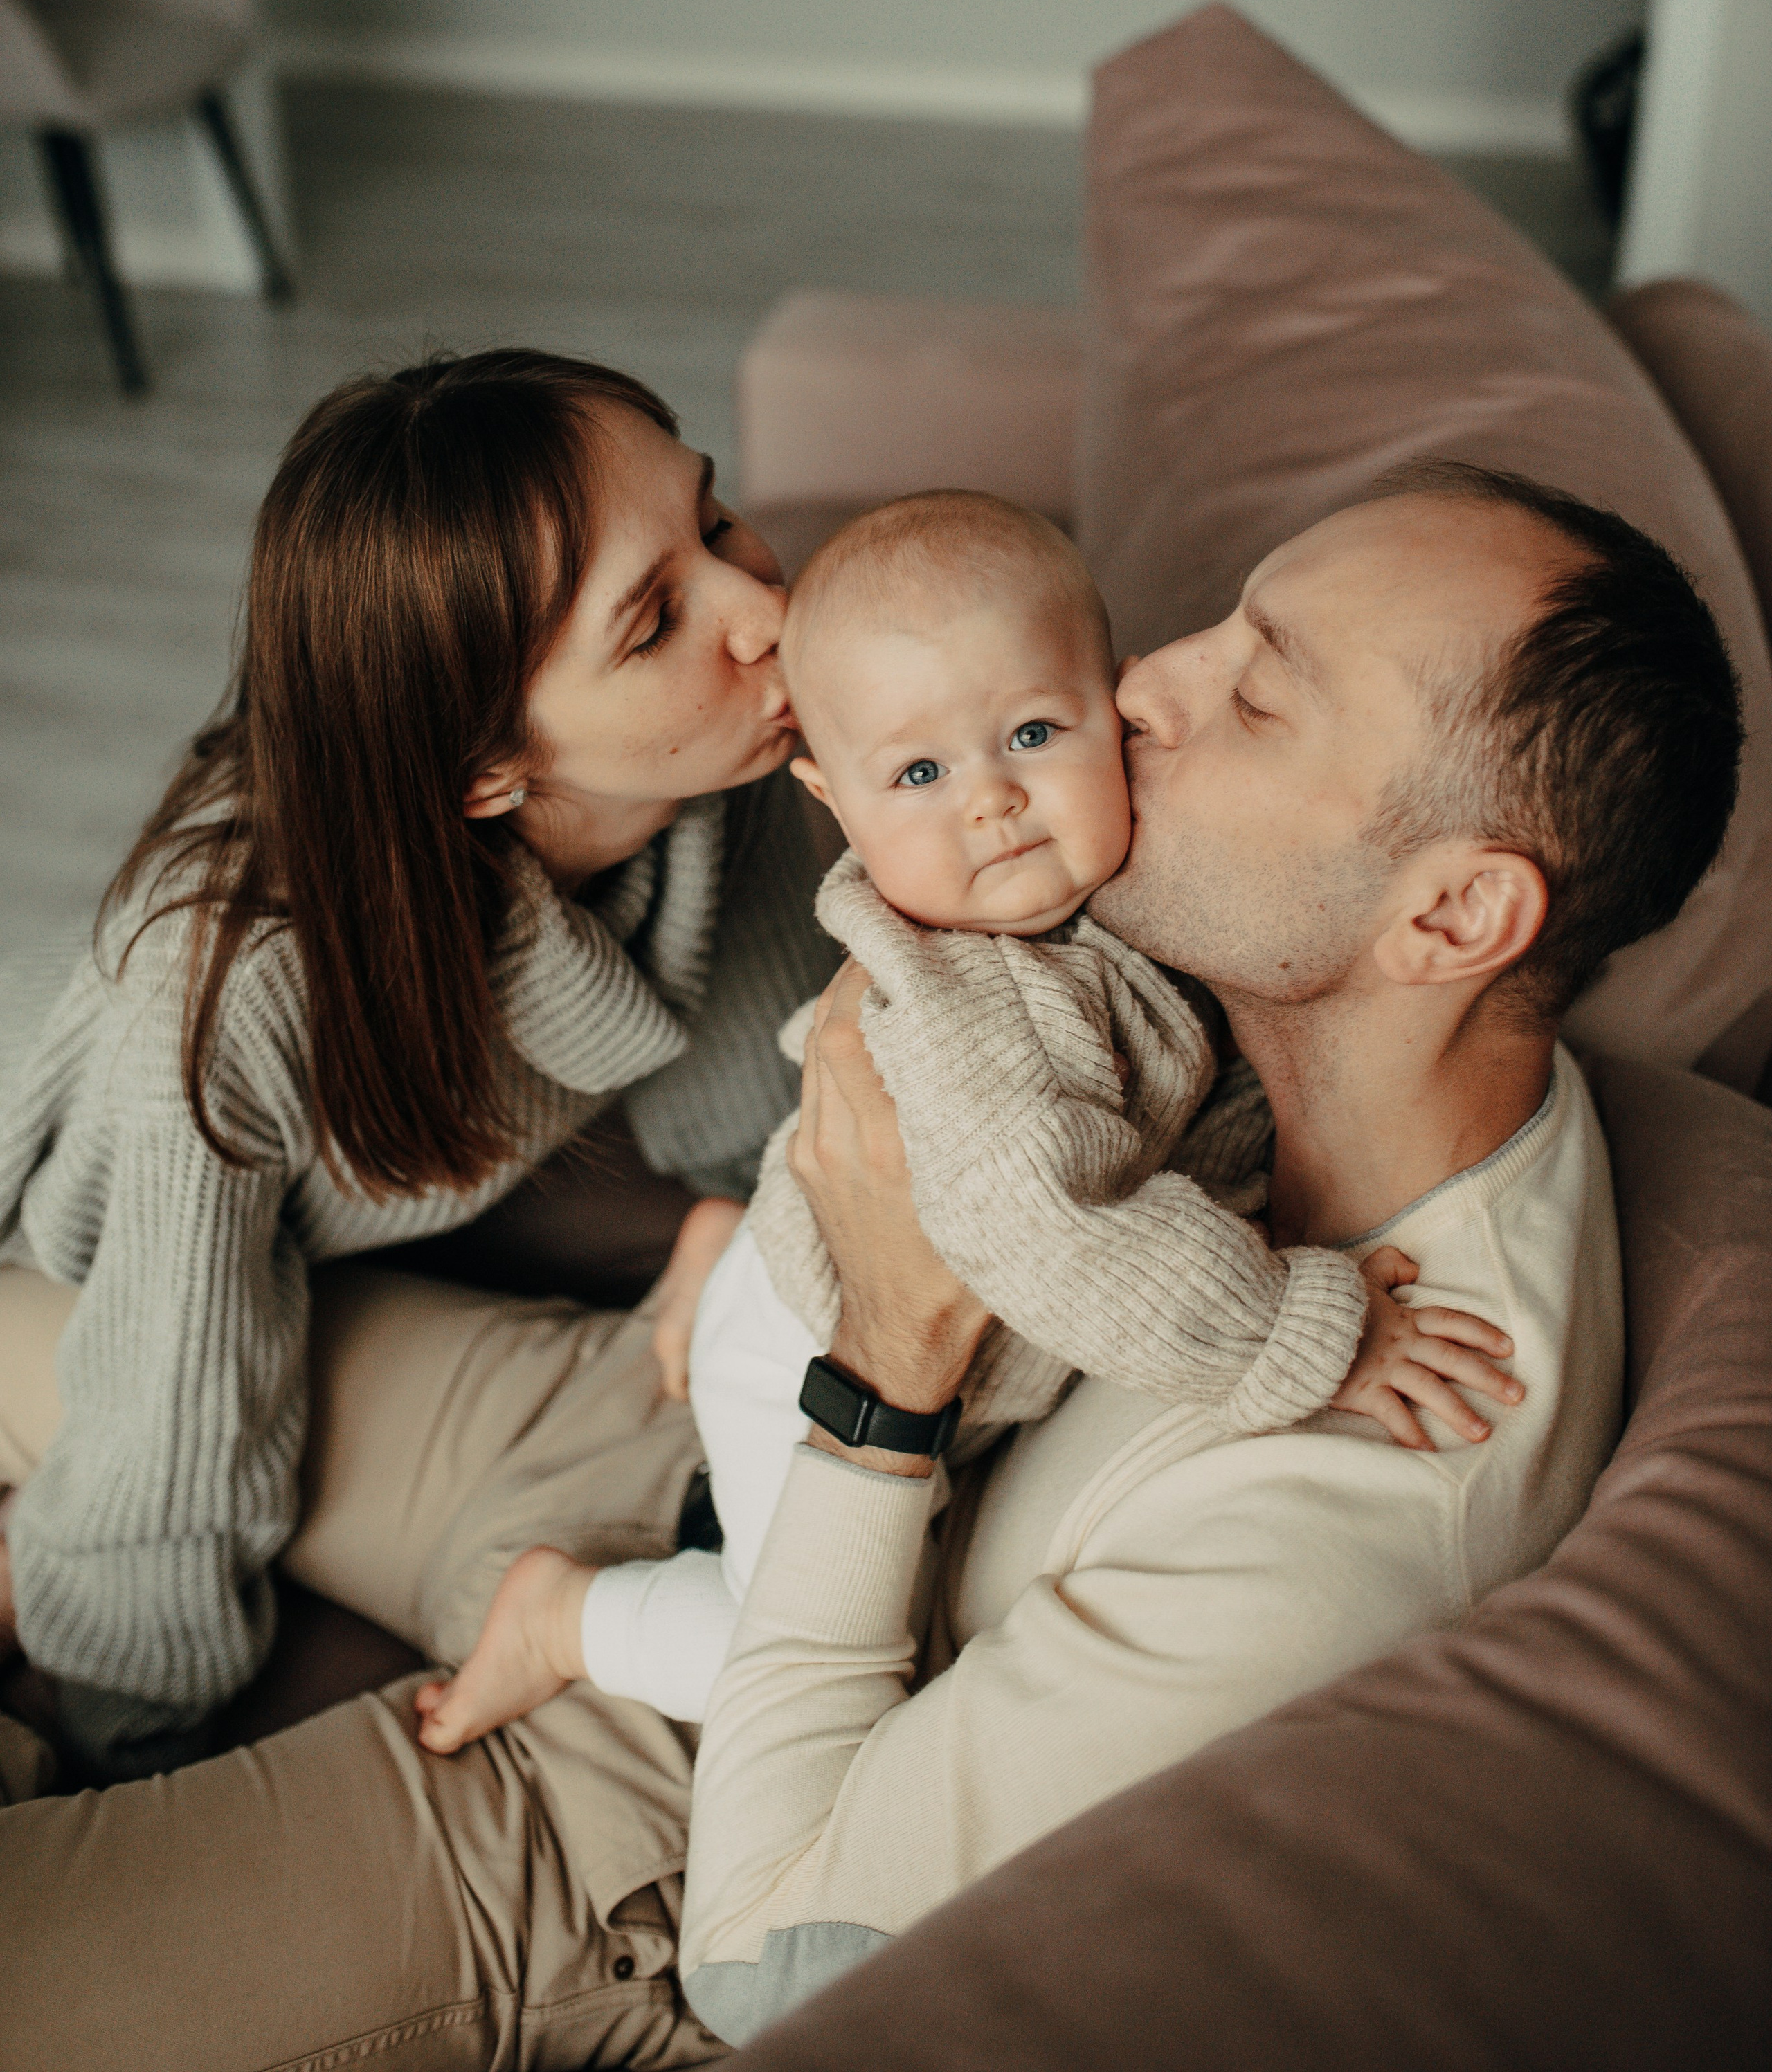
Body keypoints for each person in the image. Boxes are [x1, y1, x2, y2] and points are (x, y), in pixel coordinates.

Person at [0, 462, 1742, 2072]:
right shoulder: (1259, 988)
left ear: (1450, 919)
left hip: (677, 1780)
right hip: (682, 1408)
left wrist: (890, 1371)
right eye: (1218, 619)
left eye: (1258, 689)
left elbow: (777, 1952)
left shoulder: (1372, 1478)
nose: (1140, 685)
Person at [411, 490, 1520, 1746]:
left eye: (1035, 731)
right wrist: (1312, 1337)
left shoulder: (1130, 900)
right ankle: (570, 1618)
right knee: (785, 1657)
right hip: (797, 1359)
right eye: (921, 773)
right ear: (831, 797)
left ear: (1115, 709)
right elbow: (1055, 1232)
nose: (991, 802)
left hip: (896, 1334)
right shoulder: (975, 1002)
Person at [0, 347, 835, 1775]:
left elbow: (757, 1099)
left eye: (712, 520)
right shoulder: (242, 984)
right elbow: (175, 1402)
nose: (766, 607)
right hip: (101, 1250)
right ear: (485, 770)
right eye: (654, 622)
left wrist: (739, 1218)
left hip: (401, 1203)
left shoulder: (714, 764)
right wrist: (130, 1726)